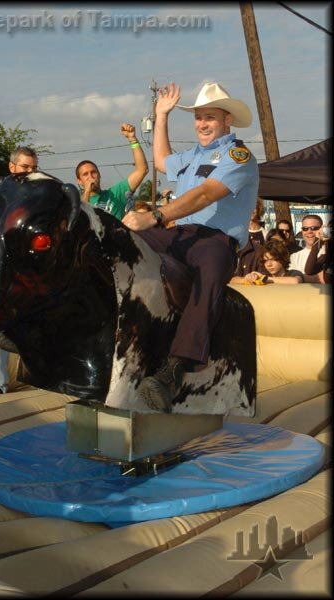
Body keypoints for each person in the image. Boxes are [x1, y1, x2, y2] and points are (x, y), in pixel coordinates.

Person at [122, 81, 259, 412]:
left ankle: (174, 370)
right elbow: (160, 161)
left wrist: (155, 214)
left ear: (227, 119)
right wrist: (161, 115)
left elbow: (205, 194)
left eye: (209, 116)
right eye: (198, 117)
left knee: (208, 274)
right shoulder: (193, 154)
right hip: (177, 233)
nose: (201, 123)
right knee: (120, 242)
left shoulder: (237, 156)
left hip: (214, 239)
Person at [0, 147, 39, 395]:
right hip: (6, 272)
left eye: (34, 168)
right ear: (12, 167)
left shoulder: (39, 197)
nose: (30, 172)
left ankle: (42, 377)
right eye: (25, 167)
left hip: (33, 271)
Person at [76, 123, 148, 220]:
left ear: (99, 175)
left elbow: (142, 170)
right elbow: (80, 218)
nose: (91, 176)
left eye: (93, 172)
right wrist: (87, 191)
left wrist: (132, 139)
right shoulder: (75, 203)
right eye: (85, 174)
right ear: (79, 181)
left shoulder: (115, 192)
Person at [231, 240, 304, 285]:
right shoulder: (263, 275)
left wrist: (266, 279)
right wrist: (247, 278)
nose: (269, 264)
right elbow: (232, 280)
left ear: (282, 259)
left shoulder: (293, 273)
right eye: (265, 261)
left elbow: (295, 281)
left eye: (273, 259)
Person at [234, 197, 268, 277]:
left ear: (258, 209)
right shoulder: (239, 233)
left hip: (259, 271)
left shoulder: (265, 233)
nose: (252, 211)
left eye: (254, 208)